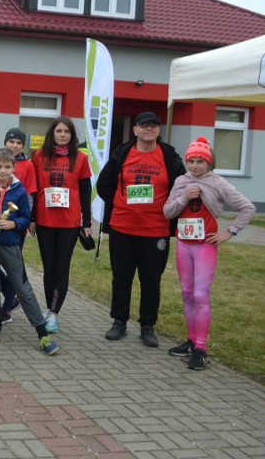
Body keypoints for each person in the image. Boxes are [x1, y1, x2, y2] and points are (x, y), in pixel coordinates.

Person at [163, 137, 255, 370]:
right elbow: (167, 211)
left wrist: (230, 232)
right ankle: (191, 340)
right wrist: (184, 196)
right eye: (191, 161)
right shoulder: (181, 181)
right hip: (184, 244)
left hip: (205, 245)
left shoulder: (218, 183)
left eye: (200, 162)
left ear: (209, 163)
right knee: (186, 292)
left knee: (201, 296)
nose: (195, 166)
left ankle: (201, 348)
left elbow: (247, 207)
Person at [96, 111, 185, 347]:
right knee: (121, 278)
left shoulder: (168, 156)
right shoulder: (122, 153)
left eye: (154, 126)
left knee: (151, 280)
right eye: (144, 125)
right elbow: (103, 185)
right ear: (135, 129)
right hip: (123, 228)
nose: (149, 129)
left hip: (156, 231)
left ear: (158, 130)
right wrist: (120, 204)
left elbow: (182, 187)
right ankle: (119, 322)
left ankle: (148, 326)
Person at [0, 148, 59, 355]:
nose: (2, 171)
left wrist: (14, 224)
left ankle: (42, 334)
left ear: (13, 168)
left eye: (7, 167)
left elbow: (26, 218)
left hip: (10, 246)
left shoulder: (19, 190)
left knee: (23, 289)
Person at [30, 116, 92, 333]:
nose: (63, 135)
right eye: (59, 131)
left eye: (66, 132)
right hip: (45, 221)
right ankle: (49, 308)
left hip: (69, 223)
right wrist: (32, 218)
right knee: (49, 269)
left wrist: (86, 222)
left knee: (61, 268)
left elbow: (85, 192)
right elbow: (33, 189)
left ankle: (54, 314)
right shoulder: (39, 157)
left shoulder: (81, 159)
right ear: (52, 134)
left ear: (72, 136)